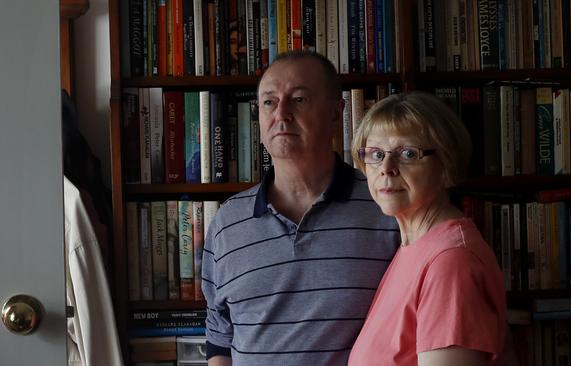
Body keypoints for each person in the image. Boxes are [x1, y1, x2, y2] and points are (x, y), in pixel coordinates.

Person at [201, 51, 400, 366]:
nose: (281, 113)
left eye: (299, 99)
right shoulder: (227, 222)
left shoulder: (386, 207)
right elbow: (220, 336)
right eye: (269, 102)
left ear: (336, 114)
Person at [348, 91, 507, 366]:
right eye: (375, 154)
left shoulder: (450, 262)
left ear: (446, 165)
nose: (386, 168)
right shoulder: (415, 248)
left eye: (408, 153)